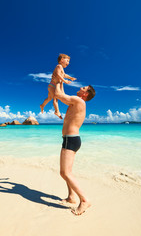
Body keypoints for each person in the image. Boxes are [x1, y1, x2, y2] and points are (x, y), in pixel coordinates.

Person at [54, 82, 96, 215]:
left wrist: (57, 79)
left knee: (64, 173)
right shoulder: (77, 102)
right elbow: (62, 94)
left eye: (83, 88)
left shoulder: (78, 101)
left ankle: (84, 200)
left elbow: (58, 95)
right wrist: (60, 81)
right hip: (71, 139)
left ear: (85, 94)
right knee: (68, 172)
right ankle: (71, 197)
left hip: (70, 139)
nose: (80, 88)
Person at [40, 54, 77, 119]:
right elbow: (57, 74)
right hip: (53, 85)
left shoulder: (61, 68)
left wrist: (70, 77)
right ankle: (57, 111)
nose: (68, 63)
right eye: (67, 61)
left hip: (53, 86)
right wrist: (64, 81)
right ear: (62, 60)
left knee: (49, 98)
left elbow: (64, 75)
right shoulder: (59, 66)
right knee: (55, 98)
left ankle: (42, 105)